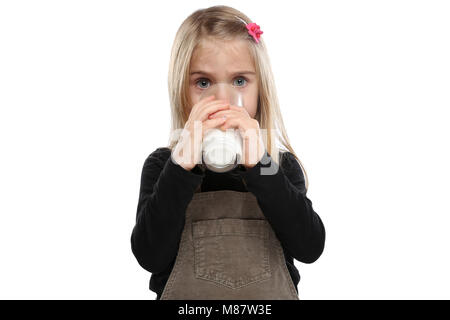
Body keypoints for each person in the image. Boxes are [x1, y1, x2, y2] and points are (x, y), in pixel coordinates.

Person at [131, 5, 326, 300]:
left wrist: (260, 165)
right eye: (203, 83)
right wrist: (181, 165)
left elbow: (310, 247)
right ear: (180, 91)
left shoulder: (278, 164)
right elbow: (149, 256)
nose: (222, 99)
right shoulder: (163, 166)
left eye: (239, 81)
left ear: (261, 90)